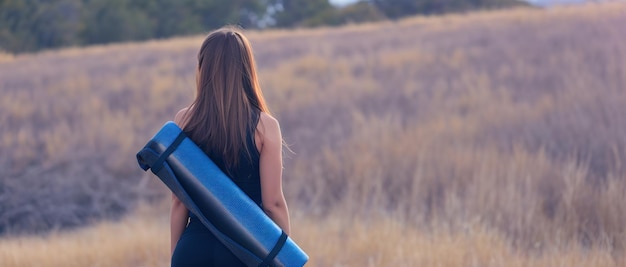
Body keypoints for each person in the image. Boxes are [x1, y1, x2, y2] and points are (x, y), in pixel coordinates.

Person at [169, 26, 291, 266]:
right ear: (247, 68)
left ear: (203, 68)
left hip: (193, 248)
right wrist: (285, 258)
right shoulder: (265, 126)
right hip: (244, 249)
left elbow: (179, 201)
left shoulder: (184, 120)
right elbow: (273, 204)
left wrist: (177, 256)